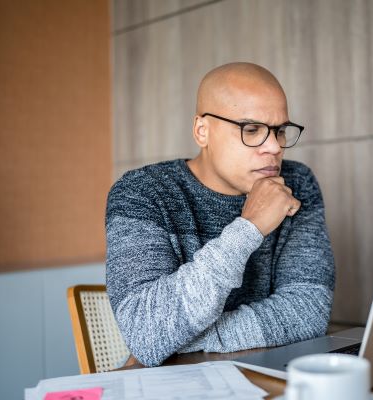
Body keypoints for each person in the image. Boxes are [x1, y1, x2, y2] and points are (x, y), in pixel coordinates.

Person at [106, 62, 335, 367]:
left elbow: (309, 310)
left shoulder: (296, 184)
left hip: (265, 376)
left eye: (279, 130)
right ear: (203, 131)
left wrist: (181, 341)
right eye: (251, 129)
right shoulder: (142, 193)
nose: (274, 147)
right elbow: (147, 332)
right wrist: (249, 228)